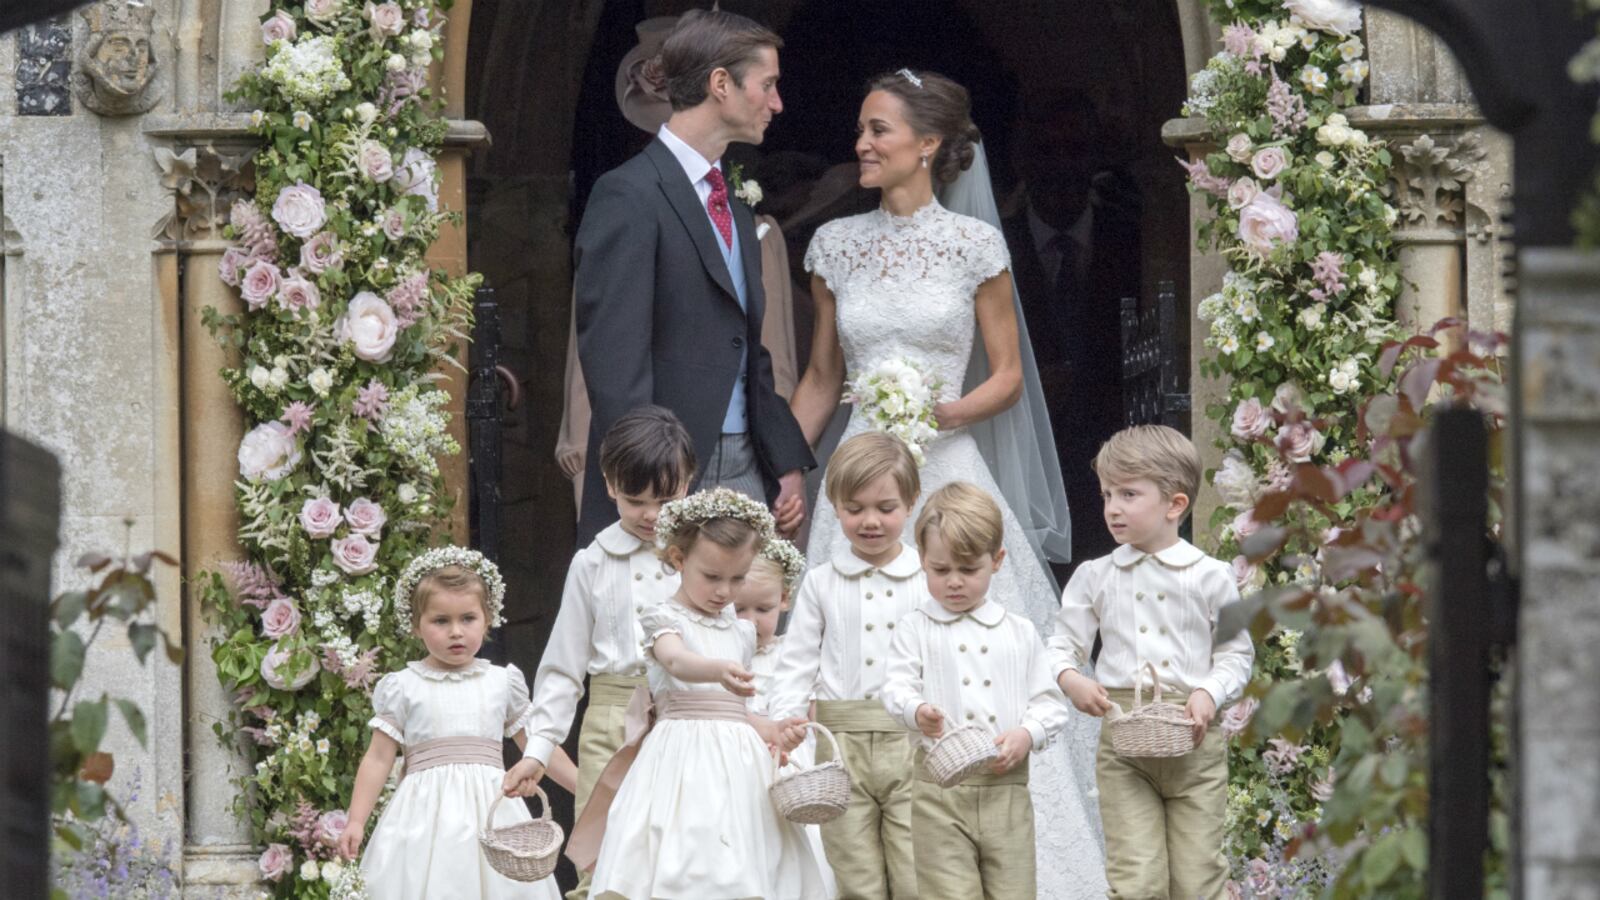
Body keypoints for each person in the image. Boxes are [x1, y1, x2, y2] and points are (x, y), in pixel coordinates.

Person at [787, 68, 1105, 897]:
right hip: (858, 473)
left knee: (978, 645)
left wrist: (943, 412)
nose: (861, 143)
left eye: (878, 130)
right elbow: (823, 378)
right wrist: (787, 463)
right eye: (861, 129)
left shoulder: (975, 246)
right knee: (853, 655)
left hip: (948, 466)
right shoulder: (834, 247)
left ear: (928, 144)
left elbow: (1008, 375)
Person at [573, 8, 813, 543]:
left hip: (749, 468)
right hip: (669, 476)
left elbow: (746, 344)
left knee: (748, 625)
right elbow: (615, 364)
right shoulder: (628, 195)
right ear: (721, 84)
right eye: (768, 85)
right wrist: (653, 483)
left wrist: (784, 458)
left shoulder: (734, 199)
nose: (777, 103)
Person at [573, 488, 827, 898]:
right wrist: (716, 670)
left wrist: (776, 729)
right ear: (678, 559)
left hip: (739, 764)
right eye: (712, 577)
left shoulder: (741, 631)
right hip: (681, 760)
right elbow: (675, 661)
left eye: (737, 579)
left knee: (740, 857)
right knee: (686, 854)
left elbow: (737, 713)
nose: (725, 592)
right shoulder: (664, 617)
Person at [1049, 425, 1256, 899]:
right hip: (1124, 745)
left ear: (1175, 505)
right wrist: (1071, 679)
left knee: (1198, 876)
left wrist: (1208, 692)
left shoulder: (1212, 576)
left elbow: (1236, 652)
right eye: (1106, 495)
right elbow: (1063, 643)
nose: (1112, 507)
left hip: (1193, 742)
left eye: (1128, 493)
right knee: (1135, 878)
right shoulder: (1095, 575)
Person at [521, 406, 695, 900]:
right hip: (609, 723)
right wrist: (539, 750)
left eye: (665, 498)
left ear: (688, 482)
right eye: (636, 499)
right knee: (606, 861)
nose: (650, 515)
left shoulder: (701, 557)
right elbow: (561, 669)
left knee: (681, 856)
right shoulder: (591, 563)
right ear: (609, 482)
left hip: (684, 724)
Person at [335, 547, 568, 899]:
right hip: (422, 820)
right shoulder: (403, 686)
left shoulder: (502, 682)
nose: (456, 632)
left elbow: (539, 745)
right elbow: (379, 758)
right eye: (441, 621)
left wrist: (589, 788)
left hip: (493, 815)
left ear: (487, 619)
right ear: (416, 626)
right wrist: (356, 819)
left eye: (468, 619)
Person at [880, 483, 1073, 899]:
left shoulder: (1018, 632)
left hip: (1006, 791)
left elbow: (1051, 704)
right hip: (939, 792)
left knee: (1014, 890)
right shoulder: (915, 627)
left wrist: (1027, 734)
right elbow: (893, 686)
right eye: (940, 569)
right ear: (923, 563)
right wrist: (917, 710)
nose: (954, 582)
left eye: (968, 570)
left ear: (997, 560)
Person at [769, 432, 925, 898]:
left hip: (911, 743)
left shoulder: (927, 580)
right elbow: (796, 660)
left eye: (885, 508)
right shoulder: (821, 582)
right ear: (835, 505)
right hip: (840, 748)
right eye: (855, 509)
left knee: (916, 865)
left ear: (912, 502)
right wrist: (785, 719)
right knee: (853, 866)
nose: (870, 521)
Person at [736, 539, 838, 898]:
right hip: (741, 764)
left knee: (796, 845)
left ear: (784, 599)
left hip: (792, 763)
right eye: (739, 609)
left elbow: (812, 709)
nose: (750, 622)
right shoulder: (726, 661)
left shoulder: (790, 656)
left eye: (762, 609)